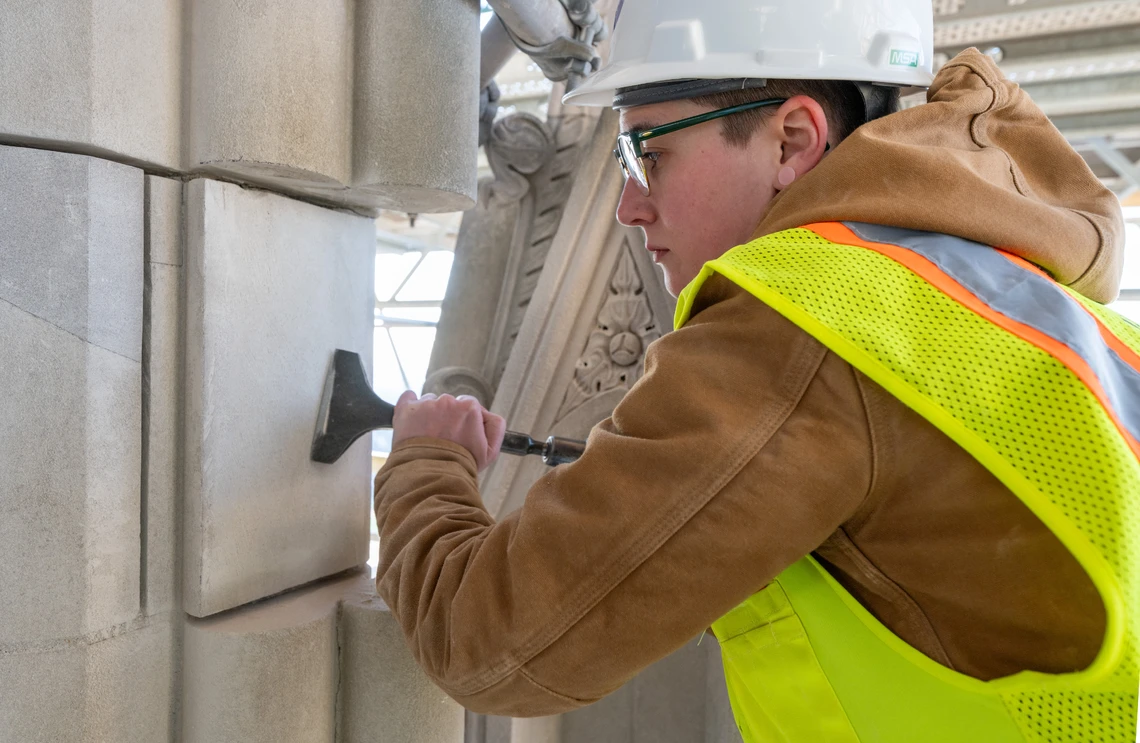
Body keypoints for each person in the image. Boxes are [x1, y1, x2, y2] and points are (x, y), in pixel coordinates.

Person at [373, 0, 1140, 739]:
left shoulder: (802, 329)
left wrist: (426, 463)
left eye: (650, 152)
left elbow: (491, 643)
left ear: (792, 142)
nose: (629, 207)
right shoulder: (995, 275)